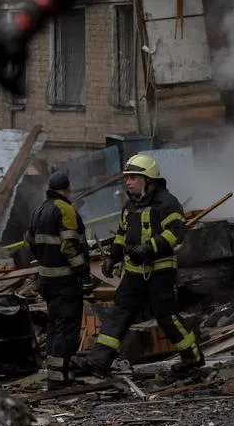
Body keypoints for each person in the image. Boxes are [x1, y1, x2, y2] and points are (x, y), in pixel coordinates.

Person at [79, 154, 204, 377]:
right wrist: (112, 258)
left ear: (148, 179)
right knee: (119, 315)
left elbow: (176, 232)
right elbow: (122, 234)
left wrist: (150, 247)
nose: (128, 182)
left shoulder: (167, 202)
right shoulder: (130, 206)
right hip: (134, 275)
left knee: (167, 318)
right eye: (127, 178)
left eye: (133, 177)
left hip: (159, 273)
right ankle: (99, 362)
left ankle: (192, 358)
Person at [26, 170, 92, 390]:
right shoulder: (66, 210)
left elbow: (30, 241)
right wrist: (84, 275)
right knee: (67, 328)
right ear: (68, 189)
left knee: (55, 326)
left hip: (47, 281)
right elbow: (69, 246)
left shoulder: (39, 210)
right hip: (66, 281)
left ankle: (54, 375)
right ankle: (61, 377)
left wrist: (45, 260)